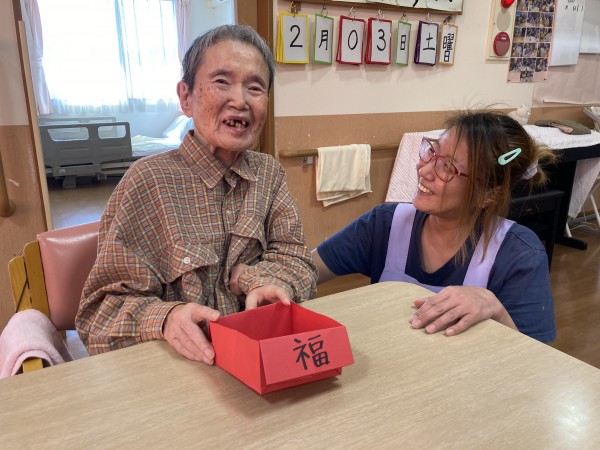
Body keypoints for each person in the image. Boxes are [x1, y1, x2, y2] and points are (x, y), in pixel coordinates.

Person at [76, 25, 317, 364]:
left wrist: (256, 280)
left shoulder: (269, 174)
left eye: (255, 87)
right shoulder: (147, 181)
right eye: (222, 82)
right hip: (178, 370)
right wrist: (166, 318)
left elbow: (299, 261)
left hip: (261, 361)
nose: (240, 101)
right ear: (186, 97)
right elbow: (99, 315)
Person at [313, 110, 557, 343]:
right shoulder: (385, 223)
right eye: (432, 152)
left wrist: (496, 310)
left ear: (488, 195)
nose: (424, 169)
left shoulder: (520, 254)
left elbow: (535, 362)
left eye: (448, 167)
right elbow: (307, 269)